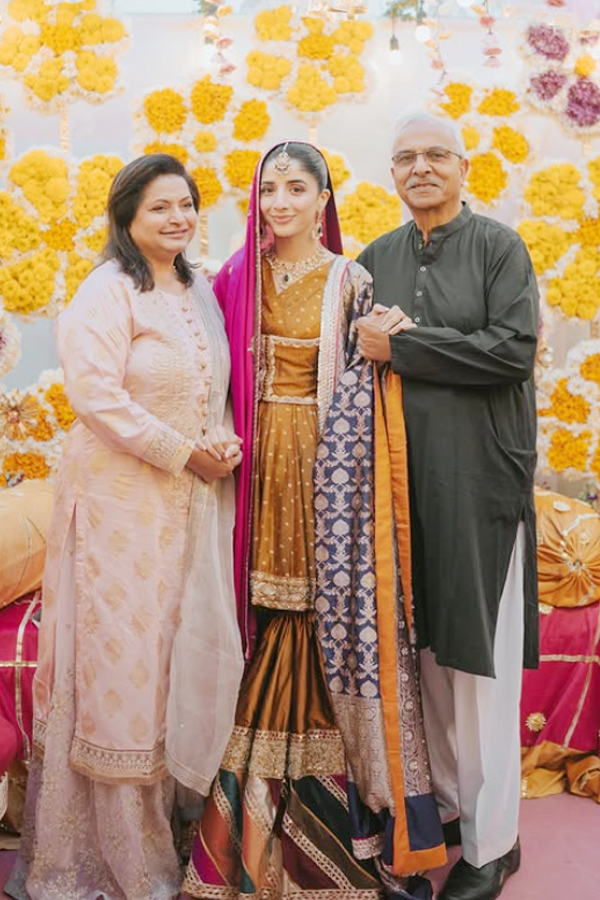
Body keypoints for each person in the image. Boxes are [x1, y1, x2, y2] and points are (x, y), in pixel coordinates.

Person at [181, 141, 446, 900]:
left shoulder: (350, 279)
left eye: (298, 188)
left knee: (317, 624)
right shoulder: (233, 278)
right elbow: (205, 372)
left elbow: (373, 380)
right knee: (259, 619)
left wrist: (391, 347)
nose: (281, 203)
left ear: (324, 197)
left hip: (328, 476)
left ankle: (324, 829)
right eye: (270, 189)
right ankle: (252, 821)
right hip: (251, 466)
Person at [7, 154, 245, 900]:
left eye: (186, 206)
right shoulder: (107, 291)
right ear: (127, 218)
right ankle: (122, 862)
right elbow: (95, 398)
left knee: (176, 659)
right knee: (125, 671)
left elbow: (212, 387)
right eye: (159, 209)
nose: (177, 220)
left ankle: (175, 835)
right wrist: (184, 452)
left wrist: (223, 441)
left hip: (186, 504)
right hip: (120, 504)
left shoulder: (197, 287)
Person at [356, 113, 539, 900]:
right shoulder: (374, 260)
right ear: (392, 175)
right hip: (402, 489)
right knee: (427, 659)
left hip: (482, 487)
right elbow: (353, 357)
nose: (420, 168)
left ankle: (496, 845)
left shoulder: (499, 246)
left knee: (480, 668)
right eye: (405, 158)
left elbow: (511, 350)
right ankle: (461, 814)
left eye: (436, 155)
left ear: (463, 168)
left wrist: (407, 344)